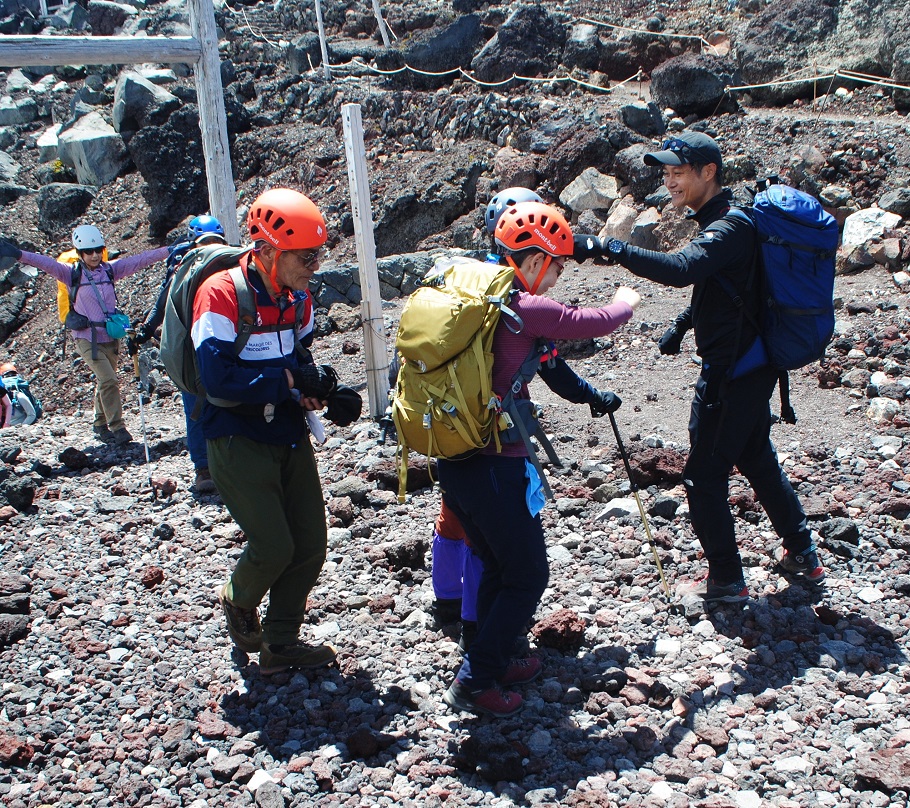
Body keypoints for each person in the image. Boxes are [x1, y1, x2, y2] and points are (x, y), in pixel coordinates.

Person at [572, 130, 826, 604]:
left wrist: (607, 247)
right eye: (665, 172)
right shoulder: (731, 221)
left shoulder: (730, 226)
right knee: (754, 457)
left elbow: (683, 268)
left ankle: (727, 581)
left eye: (678, 172)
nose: (669, 180)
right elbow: (727, 286)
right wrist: (684, 323)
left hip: (732, 372)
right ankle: (803, 555)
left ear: (709, 172)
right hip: (752, 365)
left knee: (703, 477)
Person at [440, 201, 640, 718]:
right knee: (528, 575)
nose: (554, 280)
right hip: (494, 464)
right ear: (533, 261)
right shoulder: (522, 306)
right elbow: (592, 322)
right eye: (556, 268)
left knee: (498, 565)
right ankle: (477, 678)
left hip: (456, 458)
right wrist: (626, 299)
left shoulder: (470, 293)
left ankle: (497, 655)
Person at [195, 188, 359, 675]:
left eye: (318, 255)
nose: (314, 265)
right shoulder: (220, 295)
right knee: (273, 546)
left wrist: (324, 391)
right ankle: (238, 596)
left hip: (286, 433)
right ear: (267, 250)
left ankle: (280, 645)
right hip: (235, 437)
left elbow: (299, 359)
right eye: (305, 257)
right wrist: (288, 381)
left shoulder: (298, 299)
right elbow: (216, 378)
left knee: (310, 545)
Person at [0, 227, 169, 444]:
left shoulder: (110, 270)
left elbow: (142, 259)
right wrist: (18, 254)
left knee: (104, 380)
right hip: (86, 337)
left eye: (98, 250)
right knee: (109, 379)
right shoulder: (70, 274)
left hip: (110, 336)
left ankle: (99, 424)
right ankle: (118, 427)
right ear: (80, 253)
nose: (95, 255)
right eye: (89, 251)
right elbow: (45, 263)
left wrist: (171, 250)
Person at [128, 215, 227, 494]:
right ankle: (234, 463)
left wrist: (145, 331)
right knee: (229, 401)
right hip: (226, 343)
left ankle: (204, 469)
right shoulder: (231, 262)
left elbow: (163, 302)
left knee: (195, 408)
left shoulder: (182, 264)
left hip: (189, 349)